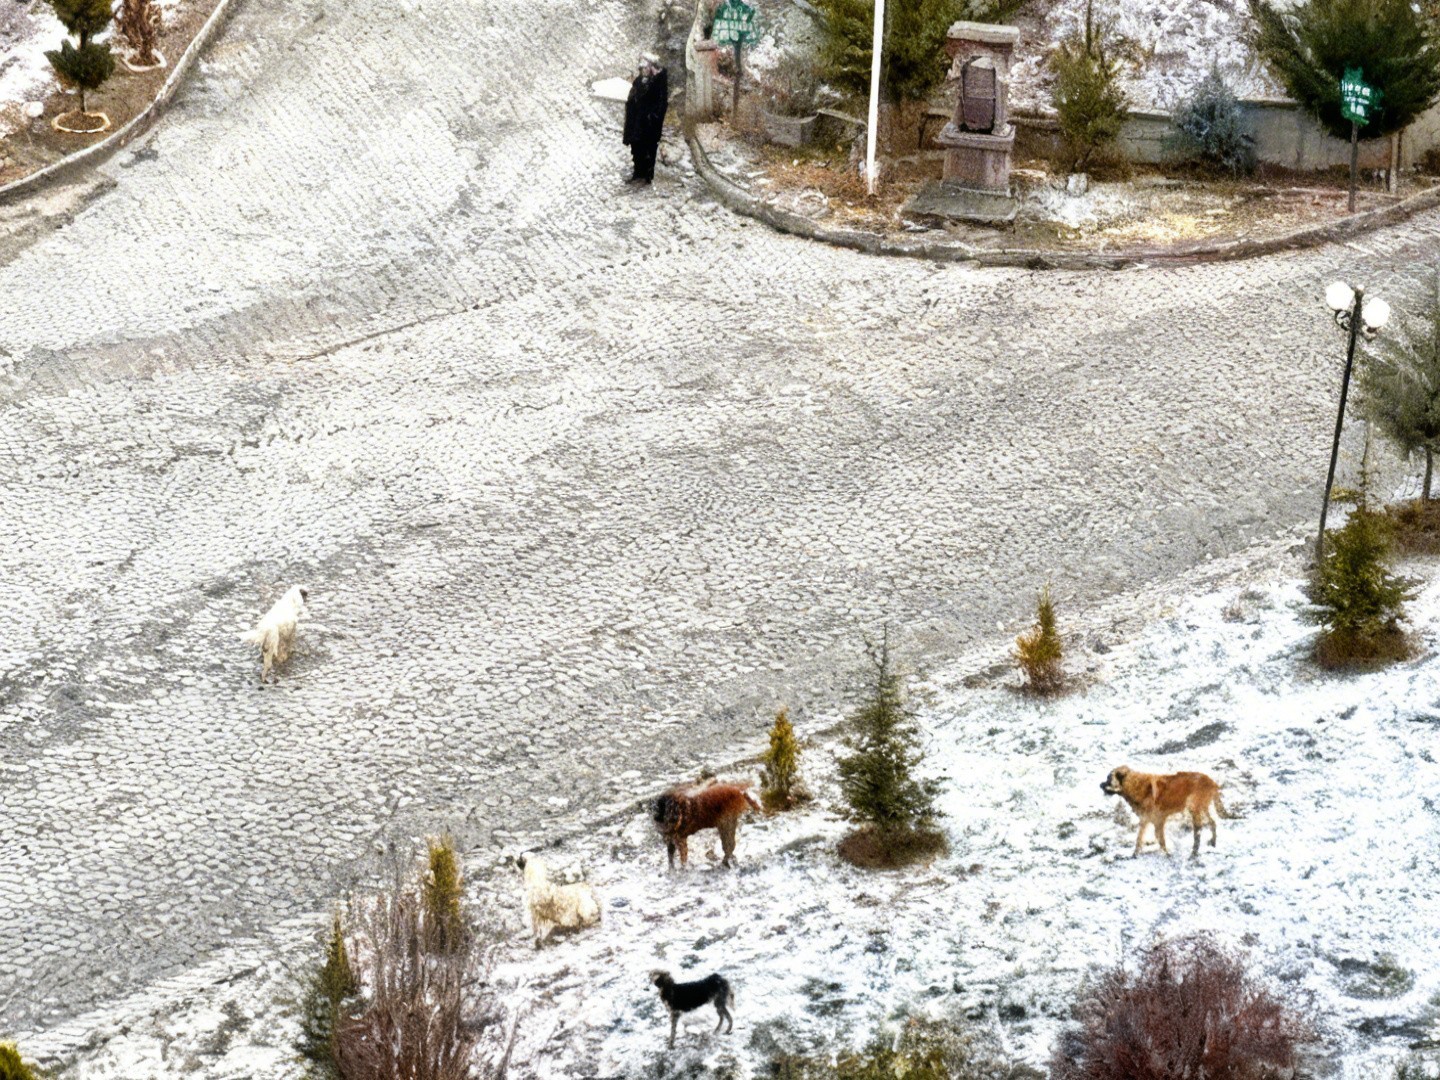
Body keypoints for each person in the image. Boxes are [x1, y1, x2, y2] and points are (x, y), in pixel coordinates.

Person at [623, 54, 669, 184]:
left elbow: (661, 102)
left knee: (649, 147)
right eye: (642, 68)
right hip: (638, 121)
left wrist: (654, 117)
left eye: (645, 67)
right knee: (637, 146)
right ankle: (638, 172)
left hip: (650, 122)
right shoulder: (639, 80)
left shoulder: (658, 82)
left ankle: (648, 175)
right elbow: (633, 97)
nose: (643, 70)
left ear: (651, 67)